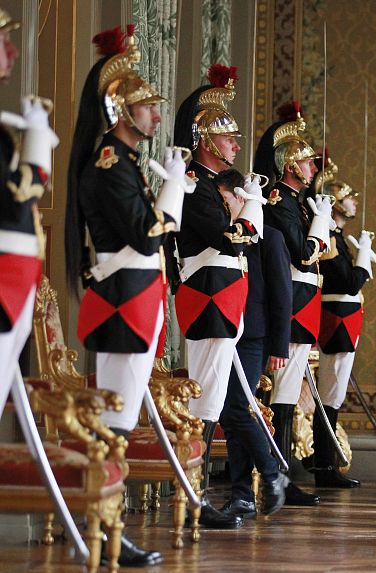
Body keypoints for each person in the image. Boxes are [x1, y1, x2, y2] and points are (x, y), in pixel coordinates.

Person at [65, 25, 193, 566]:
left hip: (137, 300)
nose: (157, 117)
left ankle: (111, 530)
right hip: (122, 305)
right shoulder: (109, 166)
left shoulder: (128, 164)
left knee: (121, 422)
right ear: (121, 110)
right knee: (115, 424)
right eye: (148, 108)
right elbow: (145, 234)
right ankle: (106, 532)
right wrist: (173, 189)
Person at [173, 64, 265, 529]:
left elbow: (242, 238)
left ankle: (197, 493)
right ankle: (193, 496)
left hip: (223, 297)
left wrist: (243, 217)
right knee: (205, 401)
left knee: (215, 399)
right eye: (229, 138)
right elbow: (230, 239)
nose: (236, 145)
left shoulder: (211, 187)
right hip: (208, 297)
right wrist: (247, 214)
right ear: (207, 142)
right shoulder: (196, 188)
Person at [255, 103, 330, 506]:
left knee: (287, 393)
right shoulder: (281, 201)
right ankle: (277, 475)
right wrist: (320, 229)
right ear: (289, 165)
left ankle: (282, 474)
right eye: (306, 161)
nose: (312, 168)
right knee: (281, 393)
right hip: (292, 302)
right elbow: (304, 254)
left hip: (303, 302)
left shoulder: (297, 201)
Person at [214, 168, 293, 519]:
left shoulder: (270, 237)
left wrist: (280, 346)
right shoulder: (222, 236)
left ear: (240, 198)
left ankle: (273, 472)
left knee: (236, 410)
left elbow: (282, 294)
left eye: (225, 198)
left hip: (254, 336)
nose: (222, 204)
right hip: (223, 329)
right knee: (231, 417)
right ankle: (243, 494)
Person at [0, 10, 57, 421]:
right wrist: (37, 143)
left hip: (15, 275)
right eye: (2, 41)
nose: (13, 51)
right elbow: (21, 193)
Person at [313, 159, 375, 487]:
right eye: (349, 196)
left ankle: (327, 464)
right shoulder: (330, 239)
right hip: (336, 320)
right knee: (330, 394)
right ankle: (323, 467)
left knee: (334, 395)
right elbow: (349, 283)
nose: (354, 202)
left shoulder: (339, 236)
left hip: (345, 319)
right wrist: (364, 259)